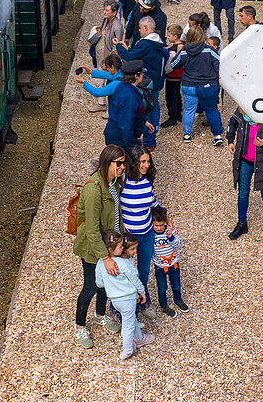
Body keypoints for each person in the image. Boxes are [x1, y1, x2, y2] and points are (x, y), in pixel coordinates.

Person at [73, 146, 126, 348]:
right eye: (118, 163)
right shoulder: (94, 188)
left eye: (124, 162)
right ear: (107, 163)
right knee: (91, 287)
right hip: (93, 249)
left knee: (105, 283)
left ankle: (100, 315)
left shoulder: (113, 182)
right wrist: (105, 258)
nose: (122, 167)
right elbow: (92, 229)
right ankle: (79, 326)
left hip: (109, 245)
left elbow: (115, 211)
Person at [95, 231, 154, 360]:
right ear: (111, 249)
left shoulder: (101, 262)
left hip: (115, 299)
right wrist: (142, 293)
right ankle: (127, 350)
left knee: (131, 319)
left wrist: (111, 284)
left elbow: (99, 283)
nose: (123, 248)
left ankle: (140, 338)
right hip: (128, 298)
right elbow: (135, 280)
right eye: (121, 246)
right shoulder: (124, 263)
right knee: (127, 326)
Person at [227, 108, 263, 245]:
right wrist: (230, 141)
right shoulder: (242, 109)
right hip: (245, 161)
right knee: (243, 193)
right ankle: (241, 223)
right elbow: (232, 123)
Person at [115, 17, 166, 148]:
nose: (138, 30)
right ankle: (152, 137)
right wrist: (128, 48)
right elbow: (138, 54)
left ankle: (149, 141)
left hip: (146, 81)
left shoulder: (146, 43)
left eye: (139, 27)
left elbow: (129, 57)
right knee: (154, 107)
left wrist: (119, 46)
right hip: (155, 80)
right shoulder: (157, 41)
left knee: (147, 110)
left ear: (146, 28)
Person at [168, 23, 222, 145]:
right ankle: (217, 136)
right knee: (211, 110)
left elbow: (173, 65)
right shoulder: (210, 50)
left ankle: (187, 134)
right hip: (207, 86)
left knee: (188, 110)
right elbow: (219, 65)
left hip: (189, 85)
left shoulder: (184, 51)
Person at [121, 146, 159, 314]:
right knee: (128, 272)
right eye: (142, 161)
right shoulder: (122, 181)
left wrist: (167, 220)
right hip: (130, 236)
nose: (145, 165)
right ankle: (126, 308)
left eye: (148, 161)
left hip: (147, 233)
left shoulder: (148, 180)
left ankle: (143, 303)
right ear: (134, 162)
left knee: (143, 270)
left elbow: (153, 203)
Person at [104, 60, 152, 150]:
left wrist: (144, 122)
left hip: (115, 134)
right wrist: (132, 148)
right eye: (141, 73)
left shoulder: (122, 86)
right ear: (136, 76)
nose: (143, 75)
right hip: (121, 139)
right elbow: (125, 125)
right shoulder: (129, 97)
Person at [149, 206, 188, 316]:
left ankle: (178, 300)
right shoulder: (151, 235)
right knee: (162, 287)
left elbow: (178, 245)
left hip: (174, 265)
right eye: (156, 225)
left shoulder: (171, 231)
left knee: (176, 285)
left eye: (162, 225)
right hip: (160, 267)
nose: (159, 228)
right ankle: (164, 306)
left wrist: (171, 237)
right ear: (152, 223)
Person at [162, 24, 183, 126]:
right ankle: (178, 113)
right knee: (177, 94)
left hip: (173, 75)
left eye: (169, 35)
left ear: (175, 36)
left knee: (171, 96)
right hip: (179, 76)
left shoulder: (176, 48)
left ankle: (172, 117)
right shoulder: (183, 44)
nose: (168, 37)